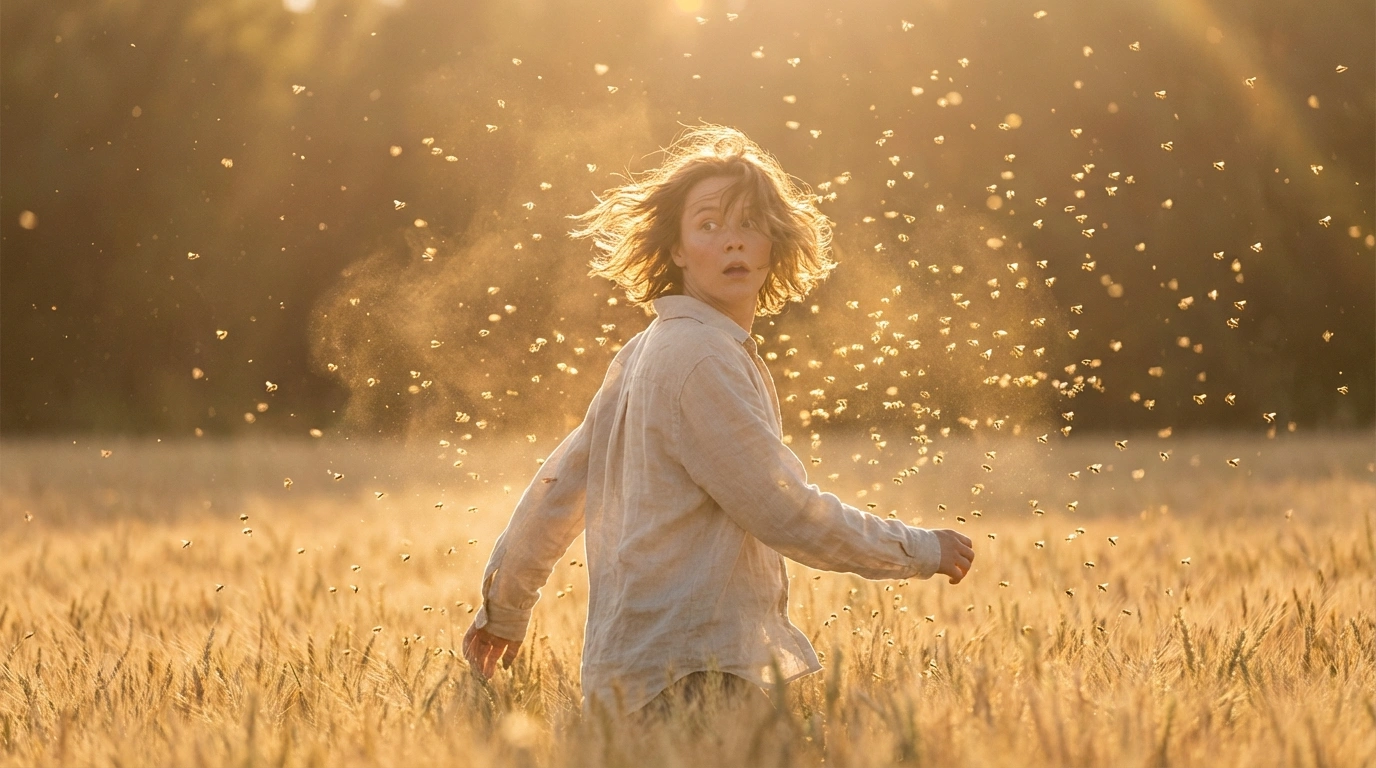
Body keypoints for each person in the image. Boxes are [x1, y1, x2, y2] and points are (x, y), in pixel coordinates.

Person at [461, 125, 975, 719]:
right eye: (708, 225)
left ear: (772, 242)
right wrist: (918, 549)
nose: (732, 242)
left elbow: (556, 492)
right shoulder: (700, 359)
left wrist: (504, 608)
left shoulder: (647, 350)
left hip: (632, 682)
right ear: (676, 248)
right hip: (698, 682)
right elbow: (782, 510)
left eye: (749, 224)